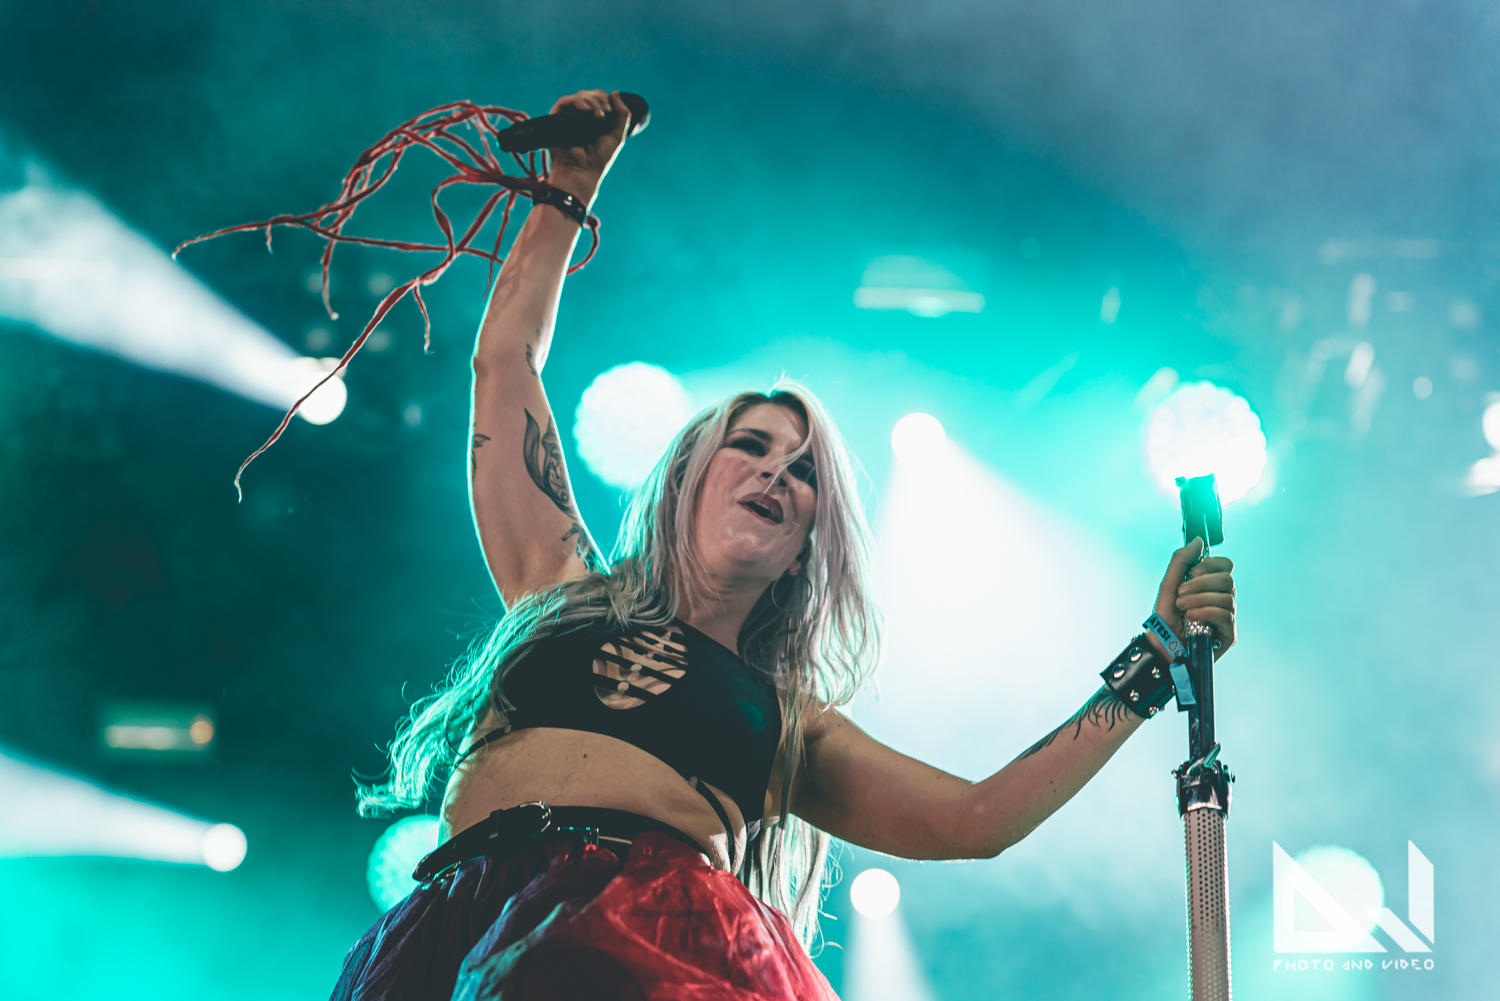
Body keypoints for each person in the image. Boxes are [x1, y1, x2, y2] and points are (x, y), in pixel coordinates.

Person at [330, 89, 1237, 1001]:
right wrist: (571, 184)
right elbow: (505, 363)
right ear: (687, 475)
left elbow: (975, 816)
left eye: (803, 472)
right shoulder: (559, 585)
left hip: (650, 949)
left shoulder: (790, 720)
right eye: (752, 445)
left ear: (806, 540)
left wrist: (1154, 658)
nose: (777, 471)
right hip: (457, 927)